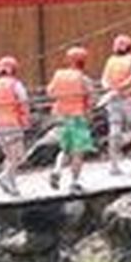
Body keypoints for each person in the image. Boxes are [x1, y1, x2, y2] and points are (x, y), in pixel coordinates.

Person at [99, 34, 131, 175]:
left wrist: (111, 89)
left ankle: (114, 165)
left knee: (114, 131)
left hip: (113, 99)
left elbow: (104, 79)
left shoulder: (110, 61)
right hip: (129, 98)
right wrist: (121, 88)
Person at [46, 46, 95, 193]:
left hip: (61, 117)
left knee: (65, 149)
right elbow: (92, 99)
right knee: (78, 152)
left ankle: (57, 170)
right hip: (78, 118)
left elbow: (50, 92)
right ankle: (74, 182)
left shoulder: (59, 75)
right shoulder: (84, 79)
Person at [0, 55, 32, 196]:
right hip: (12, 122)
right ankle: (4, 176)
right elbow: (23, 101)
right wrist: (26, 120)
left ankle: (12, 186)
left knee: (9, 156)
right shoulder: (15, 84)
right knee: (19, 156)